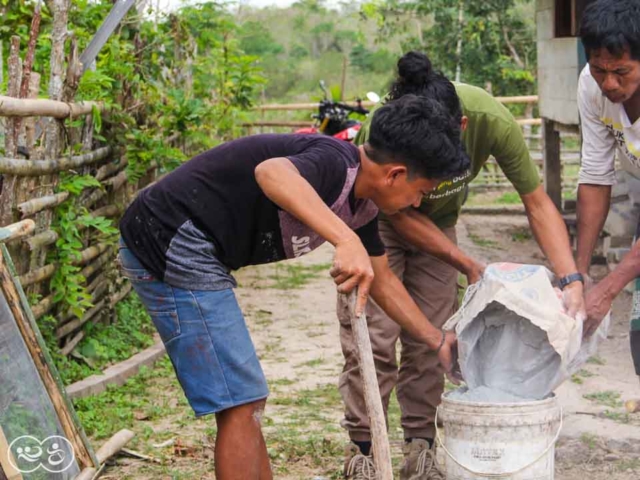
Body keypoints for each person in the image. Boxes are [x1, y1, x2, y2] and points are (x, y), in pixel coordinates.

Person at [118, 94, 470, 480]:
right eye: (421, 191)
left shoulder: (364, 204)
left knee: (247, 399)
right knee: (239, 401)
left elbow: (382, 278)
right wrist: (344, 240)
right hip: (169, 239)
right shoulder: (335, 162)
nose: (418, 201)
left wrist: (435, 340)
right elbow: (272, 173)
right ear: (395, 174)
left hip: (195, 249)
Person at [340, 51, 586, 480]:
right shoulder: (382, 124)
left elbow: (535, 201)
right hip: (376, 221)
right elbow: (393, 208)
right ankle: (364, 449)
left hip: (441, 227)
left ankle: (420, 446)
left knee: (436, 337)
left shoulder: (490, 119)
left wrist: (571, 279)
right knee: (376, 335)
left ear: (461, 128)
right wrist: (469, 263)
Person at [573, 0, 640, 374]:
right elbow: (596, 174)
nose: (609, 83)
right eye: (600, 69)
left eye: (621, 71)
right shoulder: (591, 85)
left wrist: (608, 289)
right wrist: (579, 274)